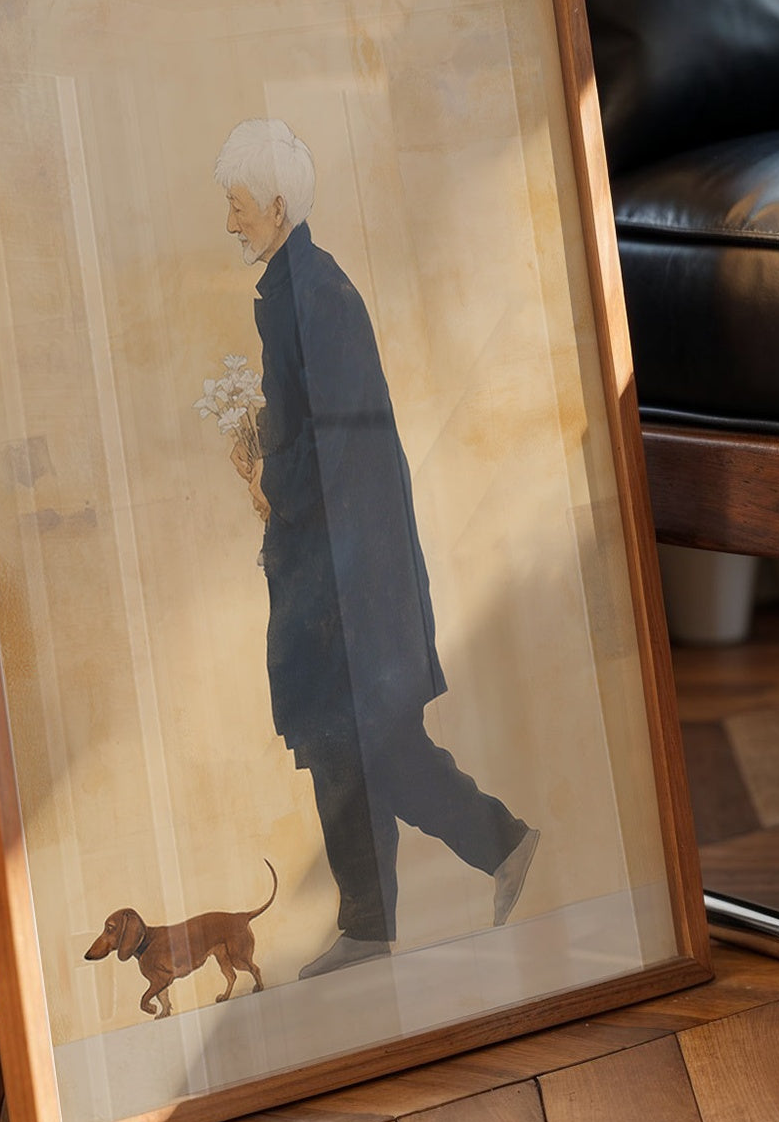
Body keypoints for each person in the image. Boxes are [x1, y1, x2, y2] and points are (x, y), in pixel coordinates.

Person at [213, 119, 540, 979]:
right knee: (338, 743)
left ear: (275, 205)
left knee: (371, 741)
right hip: (332, 564)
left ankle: (496, 847)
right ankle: (372, 922)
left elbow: (337, 444)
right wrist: (264, 449)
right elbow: (313, 424)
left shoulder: (314, 294)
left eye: (237, 204)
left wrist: (270, 483)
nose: (230, 220)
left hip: (349, 575)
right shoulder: (293, 289)